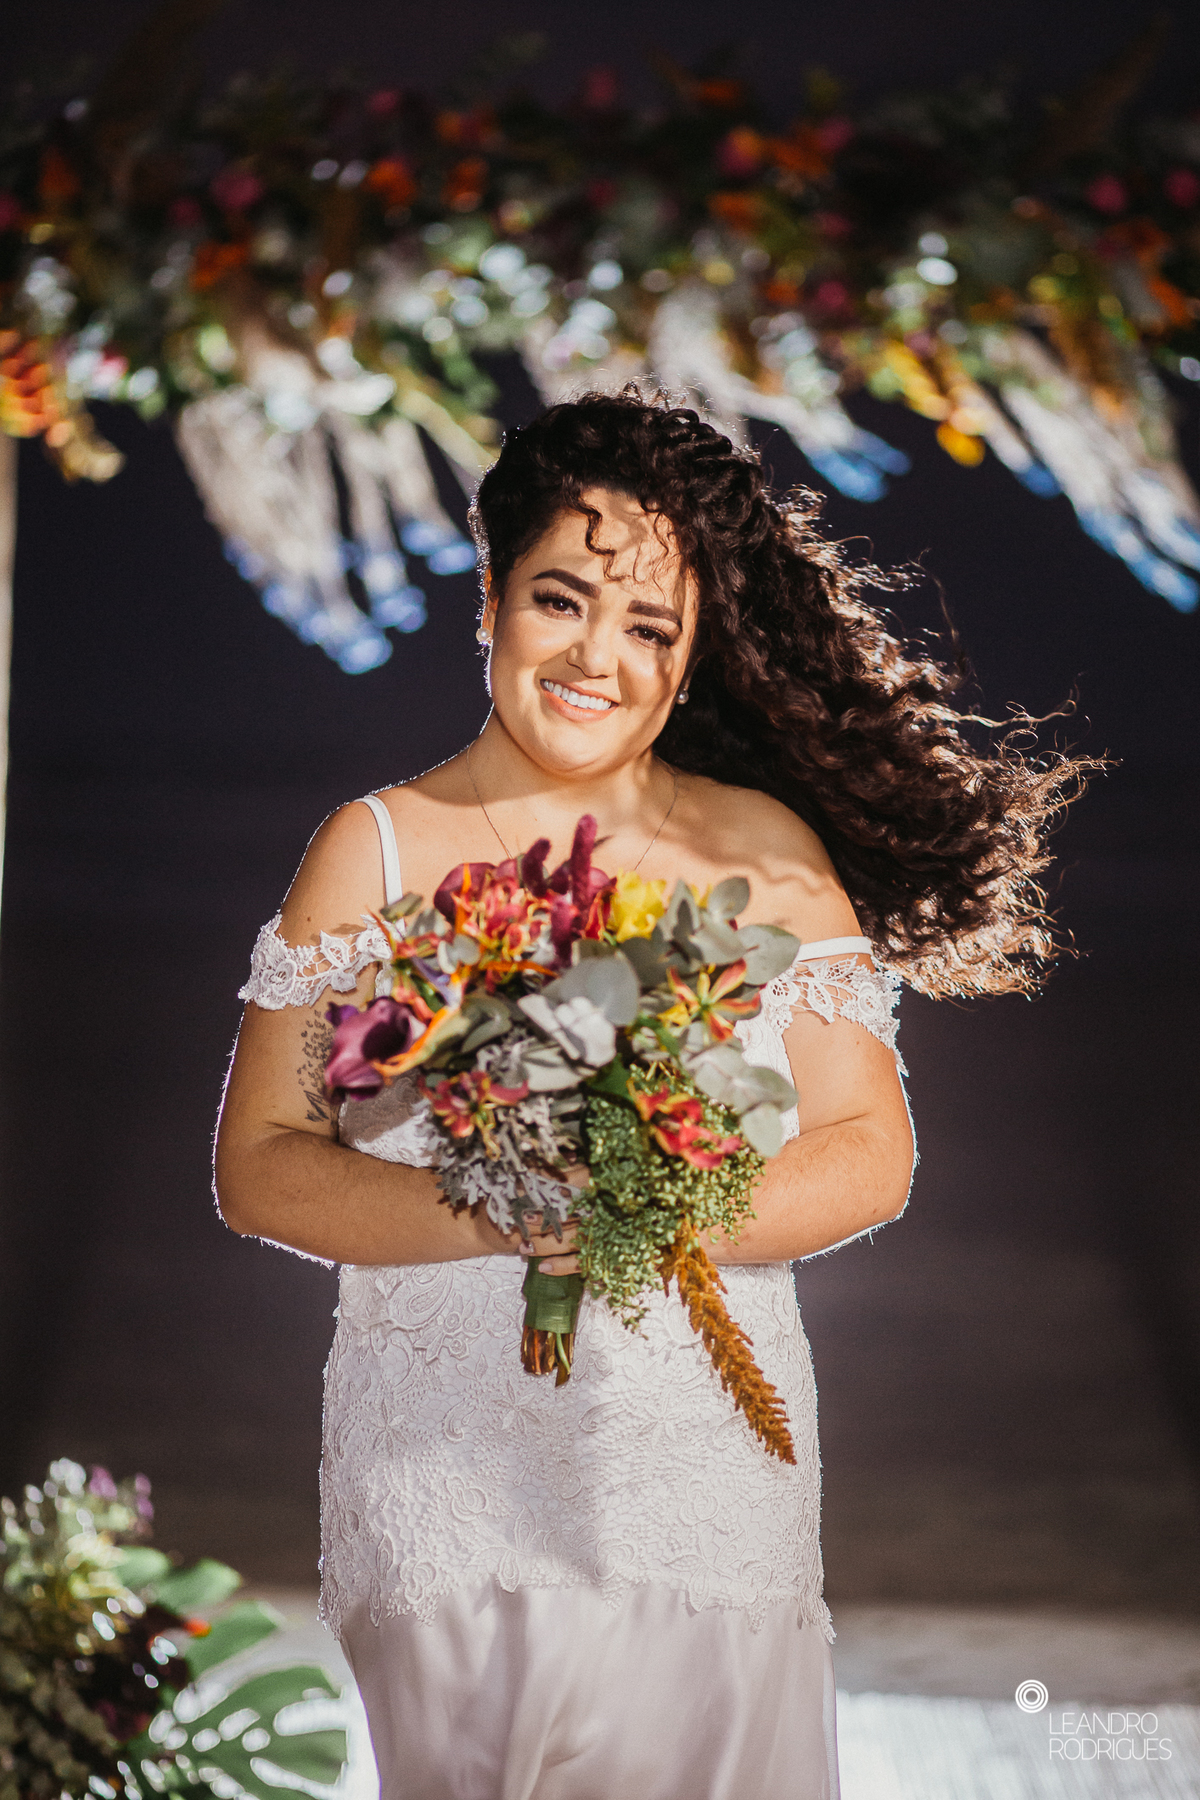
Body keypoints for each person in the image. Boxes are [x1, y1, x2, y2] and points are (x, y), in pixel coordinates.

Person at [214, 392, 1089, 1799]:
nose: (596, 659)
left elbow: (870, 1152)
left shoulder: (764, 849)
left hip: (704, 1470)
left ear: (689, 663)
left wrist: (659, 1205)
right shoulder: (373, 849)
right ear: (489, 599)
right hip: (446, 1484)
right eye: (562, 601)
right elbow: (259, 1165)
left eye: (648, 630)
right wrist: (500, 1208)